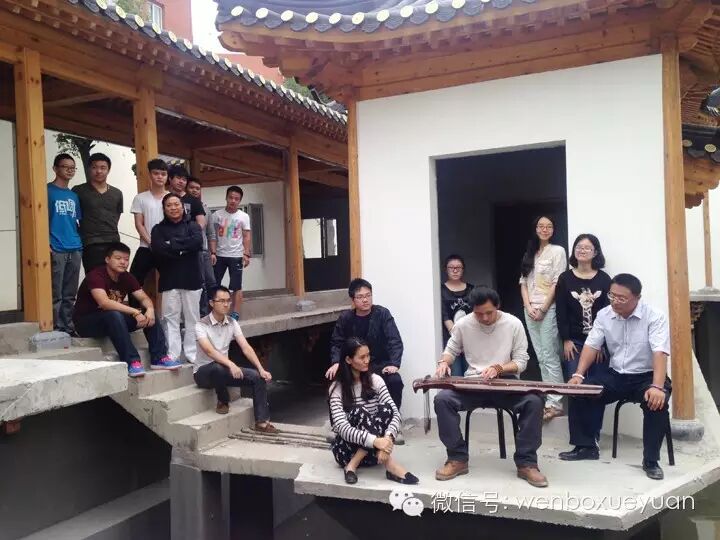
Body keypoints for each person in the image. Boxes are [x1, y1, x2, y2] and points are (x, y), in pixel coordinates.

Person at [561, 274, 672, 481]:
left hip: (646, 377)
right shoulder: (604, 315)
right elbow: (591, 345)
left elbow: (660, 352)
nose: (615, 301)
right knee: (580, 390)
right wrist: (578, 375)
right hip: (615, 375)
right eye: (612, 296)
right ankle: (586, 447)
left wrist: (657, 386)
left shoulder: (654, 316)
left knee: (657, 403)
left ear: (637, 298)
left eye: (622, 298)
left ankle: (651, 461)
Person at [434, 286, 547, 488]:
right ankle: (457, 458)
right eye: (479, 314)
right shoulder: (463, 324)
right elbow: (451, 350)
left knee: (534, 401)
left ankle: (527, 462)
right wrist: (444, 363)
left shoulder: (513, 323)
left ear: (498, 306)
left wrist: (499, 368)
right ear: (472, 310)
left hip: (506, 381)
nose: (485, 318)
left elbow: (521, 361)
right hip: (474, 383)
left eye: (489, 313)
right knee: (443, 399)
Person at [72, 242, 181, 377]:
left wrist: (150, 309)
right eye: (118, 258)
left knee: (148, 313)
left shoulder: (127, 277)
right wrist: (134, 312)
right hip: (86, 323)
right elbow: (104, 303)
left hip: (113, 320)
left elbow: (143, 298)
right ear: (107, 259)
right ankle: (132, 362)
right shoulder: (96, 275)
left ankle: (159, 357)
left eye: (126, 259)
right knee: (114, 315)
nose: (123, 262)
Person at [329, 337, 418, 485]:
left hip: (375, 454)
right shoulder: (337, 388)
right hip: (346, 452)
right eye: (362, 357)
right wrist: (376, 441)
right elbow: (343, 429)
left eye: (368, 355)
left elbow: (395, 413)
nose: (367, 360)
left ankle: (353, 467)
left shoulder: (375, 380)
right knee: (359, 411)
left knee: (387, 409)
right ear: (349, 360)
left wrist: (387, 440)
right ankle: (388, 466)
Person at [195, 285, 277, 430]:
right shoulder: (201, 325)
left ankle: (262, 421)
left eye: (228, 300)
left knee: (257, 377)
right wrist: (231, 364)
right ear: (212, 303)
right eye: (221, 301)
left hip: (224, 370)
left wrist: (261, 369)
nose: (226, 304)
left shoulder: (232, 322)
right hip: (203, 373)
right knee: (217, 367)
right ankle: (223, 400)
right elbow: (209, 351)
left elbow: (246, 347)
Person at [326, 279, 404, 410]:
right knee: (333, 379)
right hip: (354, 366)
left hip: (379, 364)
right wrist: (336, 362)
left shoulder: (382, 314)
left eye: (368, 295)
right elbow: (337, 343)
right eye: (360, 297)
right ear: (353, 300)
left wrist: (394, 363)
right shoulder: (345, 318)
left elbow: (394, 340)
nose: (365, 300)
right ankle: (344, 418)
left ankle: (393, 417)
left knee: (395, 380)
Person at [519, 215, 567, 421]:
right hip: (530, 309)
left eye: (549, 226)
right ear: (535, 229)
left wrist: (543, 308)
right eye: (541, 226)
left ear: (553, 230)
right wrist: (528, 306)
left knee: (550, 355)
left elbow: (558, 282)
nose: (545, 229)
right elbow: (523, 282)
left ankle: (556, 403)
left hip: (548, 309)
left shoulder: (558, 251)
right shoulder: (529, 253)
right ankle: (549, 400)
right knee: (540, 357)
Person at [151, 193, 204, 364]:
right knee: (170, 319)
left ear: (182, 207)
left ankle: (192, 353)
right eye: (169, 205)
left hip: (192, 279)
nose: (173, 208)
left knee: (192, 318)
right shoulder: (158, 229)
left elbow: (197, 243)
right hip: (169, 279)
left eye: (176, 204)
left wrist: (172, 244)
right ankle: (172, 354)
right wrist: (183, 248)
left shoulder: (193, 226)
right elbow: (158, 250)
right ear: (164, 209)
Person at [556, 234, 611, 382]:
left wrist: (601, 343)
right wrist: (566, 340)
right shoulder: (565, 278)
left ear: (595, 252)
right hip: (574, 341)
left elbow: (608, 313)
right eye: (579, 247)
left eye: (587, 248)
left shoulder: (604, 279)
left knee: (597, 383)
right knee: (574, 380)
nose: (582, 250)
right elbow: (561, 311)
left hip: (598, 341)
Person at [48, 153, 83, 334]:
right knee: (55, 292)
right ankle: (54, 327)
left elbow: (76, 221)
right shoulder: (47, 191)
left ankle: (67, 327)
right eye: (65, 167)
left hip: (75, 247)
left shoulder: (73, 196)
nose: (69, 170)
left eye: (72, 167)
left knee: (70, 293)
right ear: (55, 168)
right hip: (56, 247)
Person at [73, 153, 123, 272]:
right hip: (90, 243)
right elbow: (71, 216)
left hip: (113, 242)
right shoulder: (78, 191)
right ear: (89, 169)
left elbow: (116, 216)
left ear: (108, 170)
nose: (99, 171)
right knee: (94, 278)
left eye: (103, 168)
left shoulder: (117, 193)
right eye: (94, 167)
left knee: (114, 278)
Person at [208, 186, 251, 320]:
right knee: (214, 284)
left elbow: (246, 236)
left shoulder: (244, 216)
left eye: (236, 199)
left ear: (240, 201)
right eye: (231, 197)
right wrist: (212, 252)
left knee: (236, 286)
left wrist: (246, 254)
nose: (233, 201)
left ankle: (235, 313)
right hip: (219, 255)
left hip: (236, 256)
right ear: (226, 198)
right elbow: (212, 235)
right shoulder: (216, 215)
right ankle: (213, 312)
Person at [129, 159, 168, 289]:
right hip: (146, 246)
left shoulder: (172, 198)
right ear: (150, 174)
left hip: (168, 247)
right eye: (156, 173)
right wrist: (151, 242)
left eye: (163, 174)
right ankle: (136, 305)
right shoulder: (140, 198)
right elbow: (139, 224)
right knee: (133, 280)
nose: (160, 177)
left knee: (172, 280)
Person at [187, 176, 216, 317]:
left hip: (205, 251)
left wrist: (213, 252)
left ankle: (214, 312)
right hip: (191, 251)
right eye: (191, 188)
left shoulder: (206, 209)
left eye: (197, 188)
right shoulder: (182, 207)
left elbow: (211, 233)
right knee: (200, 283)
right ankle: (202, 315)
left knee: (211, 282)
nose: (194, 190)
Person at [441, 254, 474, 377]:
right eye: (451, 267)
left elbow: (475, 314)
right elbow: (445, 315)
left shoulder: (471, 289)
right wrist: (457, 336)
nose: (455, 270)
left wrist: (467, 338)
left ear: (463, 269)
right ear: (446, 269)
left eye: (458, 267)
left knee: (472, 373)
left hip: (471, 338)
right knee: (456, 373)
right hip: (451, 338)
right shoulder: (441, 290)